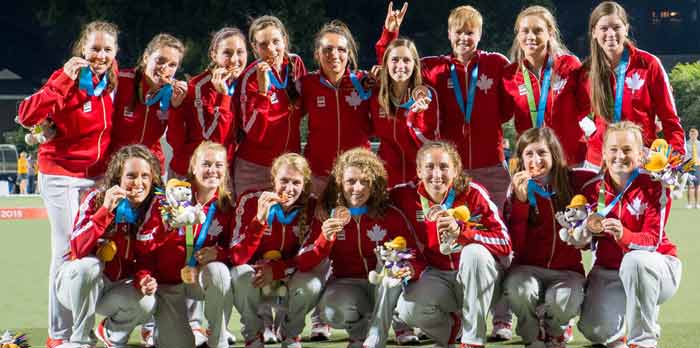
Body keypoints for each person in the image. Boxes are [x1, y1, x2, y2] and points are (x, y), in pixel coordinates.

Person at [16, 20, 120, 347]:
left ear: (115, 53)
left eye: (107, 49)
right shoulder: (68, 79)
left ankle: (83, 328)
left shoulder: (115, 82)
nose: (100, 55)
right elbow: (27, 115)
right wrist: (61, 80)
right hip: (60, 174)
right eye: (95, 49)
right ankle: (58, 335)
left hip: (97, 177)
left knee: (92, 252)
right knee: (65, 250)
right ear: (82, 50)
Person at [377, 4, 512, 215]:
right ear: (449, 34)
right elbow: (397, 65)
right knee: (452, 229)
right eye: (458, 32)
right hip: (449, 169)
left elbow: (508, 109)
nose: (464, 38)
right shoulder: (433, 68)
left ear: (480, 34)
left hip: (490, 165)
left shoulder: (496, 63)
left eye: (470, 32)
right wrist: (390, 33)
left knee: (495, 222)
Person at [288, 148, 424, 348]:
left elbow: (415, 256)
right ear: (340, 184)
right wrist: (324, 239)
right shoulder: (328, 216)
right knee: (331, 311)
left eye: (365, 182)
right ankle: (359, 332)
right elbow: (302, 260)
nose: (357, 188)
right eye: (351, 181)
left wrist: (408, 268)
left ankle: (393, 326)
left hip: (385, 288)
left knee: (391, 267)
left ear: (374, 184)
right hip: (348, 285)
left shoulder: (391, 214)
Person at [391, 141, 511, 348]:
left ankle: (473, 341)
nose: (437, 174)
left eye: (444, 167)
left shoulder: (473, 193)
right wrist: (327, 206)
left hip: (480, 279)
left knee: (474, 252)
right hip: (438, 277)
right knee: (408, 310)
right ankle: (454, 331)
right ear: (418, 170)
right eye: (429, 167)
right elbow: (368, 198)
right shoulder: (405, 195)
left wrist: (462, 233)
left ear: (455, 170)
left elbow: (504, 242)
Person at [578, 121, 682, 348]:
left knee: (636, 261)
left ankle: (642, 340)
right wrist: (584, 232)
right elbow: (584, 240)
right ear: (603, 153)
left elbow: (652, 240)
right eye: (613, 149)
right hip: (609, 272)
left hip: (656, 266)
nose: (620, 156)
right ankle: (630, 315)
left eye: (627, 150)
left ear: (640, 154)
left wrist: (624, 234)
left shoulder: (655, 185)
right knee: (594, 329)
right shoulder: (591, 189)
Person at [53, 144, 160, 347]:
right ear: (118, 177)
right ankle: (81, 340)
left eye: (145, 176)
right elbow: (77, 248)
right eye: (131, 176)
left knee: (148, 302)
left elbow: (146, 258)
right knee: (89, 266)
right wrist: (105, 211)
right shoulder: (97, 199)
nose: (138, 182)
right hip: (77, 284)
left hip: (114, 291)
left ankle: (113, 335)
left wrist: (143, 278)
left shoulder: (152, 210)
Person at [135, 141, 234, 348]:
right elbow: (141, 244)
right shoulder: (168, 198)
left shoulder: (227, 206)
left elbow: (235, 251)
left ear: (226, 169)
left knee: (220, 272)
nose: (212, 170)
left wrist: (218, 253)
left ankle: (217, 340)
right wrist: (166, 228)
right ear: (193, 167)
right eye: (206, 164)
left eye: (219, 165)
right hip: (168, 283)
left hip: (199, 278)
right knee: (179, 344)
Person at [504, 128, 596, 347]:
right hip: (527, 268)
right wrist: (521, 203)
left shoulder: (575, 181)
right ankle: (531, 333)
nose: (536, 160)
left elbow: (605, 179)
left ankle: (556, 329)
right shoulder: (516, 188)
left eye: (542, 153)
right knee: (518, 289)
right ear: (521, 159)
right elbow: (514, 244)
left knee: (564, 301)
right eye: (529, 154)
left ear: (554, 154)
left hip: (567, 270)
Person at [581, 1, 685, 170]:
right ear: (593, 32)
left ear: (626, 29)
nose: (610, 33)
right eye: (604, 28)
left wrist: (675, 161)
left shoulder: (648, 64)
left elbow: (670, 119)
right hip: (598, 162)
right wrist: (593, 134)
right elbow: (575, 115)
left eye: (616, 27)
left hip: (640, 160)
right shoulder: (585, 72)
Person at [228, 153, 316, 347]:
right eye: (284, 181)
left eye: (296, 183)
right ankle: (253, 334)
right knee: (240, 275)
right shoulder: (250, 200)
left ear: (304, 184)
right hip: (256, 276)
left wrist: (277, 270)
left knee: (312, 283)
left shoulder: (312, 207)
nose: (289, 189)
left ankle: (290, 333)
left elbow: (311, 256)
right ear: (273, 178)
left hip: (289, 275)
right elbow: (236, 256)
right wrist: (259, 220)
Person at [502, 5, 588, 166]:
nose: (531, 36)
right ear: (518, 35)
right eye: (525, 31)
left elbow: (585, 107)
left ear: (550, 33)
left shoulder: (569, 66)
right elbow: (504, 114)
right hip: (532, 163)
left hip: (570, 159)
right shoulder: (510, 74)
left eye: (537, 30)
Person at [236, 15, 306, 195]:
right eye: (263, 45)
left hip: (289, 168)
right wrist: (262, 92)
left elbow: (303, 106)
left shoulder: (296, 64)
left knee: (286, 223)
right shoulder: (250, 77)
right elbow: (254, 133)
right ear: (254, 47)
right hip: (256, 168)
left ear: (285, 40)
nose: (271, 49)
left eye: (276, 41)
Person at [301, 20, 372, 196]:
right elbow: (284, 116)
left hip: (359, 175)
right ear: (318, 54)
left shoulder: (364, 82)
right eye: (327, 49)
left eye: (341, 49)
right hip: (318, 176)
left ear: (349, 53)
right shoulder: (307, 84)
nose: (334, 54)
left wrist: (389, 34)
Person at [168, 27, 247, 179]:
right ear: (214, 55)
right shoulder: (198, 88)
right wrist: (224, 97)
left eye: (240, 52)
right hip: (191, 173)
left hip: (224, 171)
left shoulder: (245, 84)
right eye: (227, 53)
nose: (235, 59)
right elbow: (213, 141)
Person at [110, 33, 188, 169]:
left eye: (172, 65)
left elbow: (176, 142)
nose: (165, 68)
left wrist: (176, 108)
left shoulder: (175, 94)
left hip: (152, 166)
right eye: (160, 60)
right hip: (116, 164)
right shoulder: (121, 81)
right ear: (146, 58)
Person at [371, 36, 439, 188]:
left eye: (406, 60)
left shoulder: (426, 96)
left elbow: (429, 144)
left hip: (418, 180)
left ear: (415, 64)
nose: (400, 65)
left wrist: (418, 116)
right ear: (386, 63)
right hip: (385, 180)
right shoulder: (376, 96)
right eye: (394, 60)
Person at [685, 127, 700, 208]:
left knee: (698, 186)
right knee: (690, 186)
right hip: (689, 167)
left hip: (698, 166)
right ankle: (689, 204)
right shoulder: (686, 144)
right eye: (691, 134)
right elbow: (684, 156)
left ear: (697, 135)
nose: (693, 135)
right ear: (689, 135)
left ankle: (697, 204)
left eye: (694, 134)